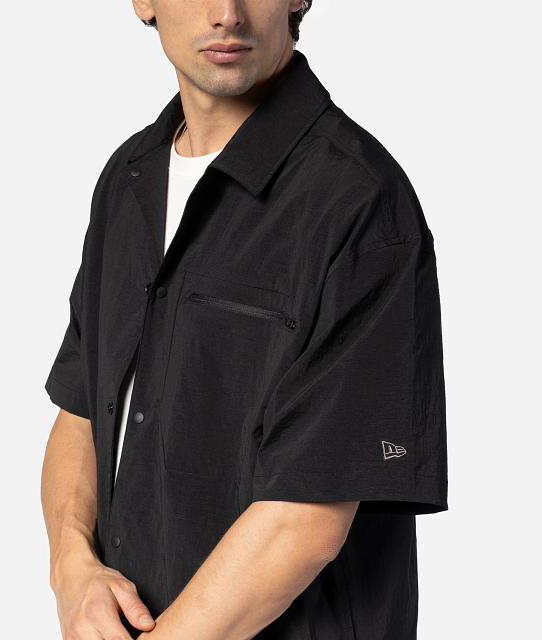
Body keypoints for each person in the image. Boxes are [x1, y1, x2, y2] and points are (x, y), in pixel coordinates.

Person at [41, 1, 449, 639]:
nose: (226, 13)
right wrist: (72, 566)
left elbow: (305, 520)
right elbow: (84, 408)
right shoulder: (129, 178)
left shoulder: (358, 200)